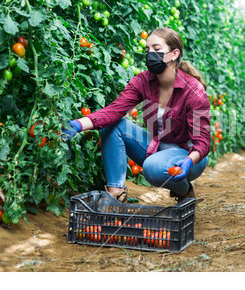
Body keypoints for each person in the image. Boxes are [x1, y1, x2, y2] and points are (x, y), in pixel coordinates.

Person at [62, 28, 210, 203]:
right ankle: (116, 194)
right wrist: (78, 125)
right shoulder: (142, 81)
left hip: (189, 155)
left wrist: (188, 161)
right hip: (157, 147)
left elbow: (202, 142)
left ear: (174, 54)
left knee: (153, 167)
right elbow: (113, 111)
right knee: (113, 124)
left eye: (156, 49)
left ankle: (185, 191)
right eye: (147, 50)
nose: (150, 54)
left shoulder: (194, 90)